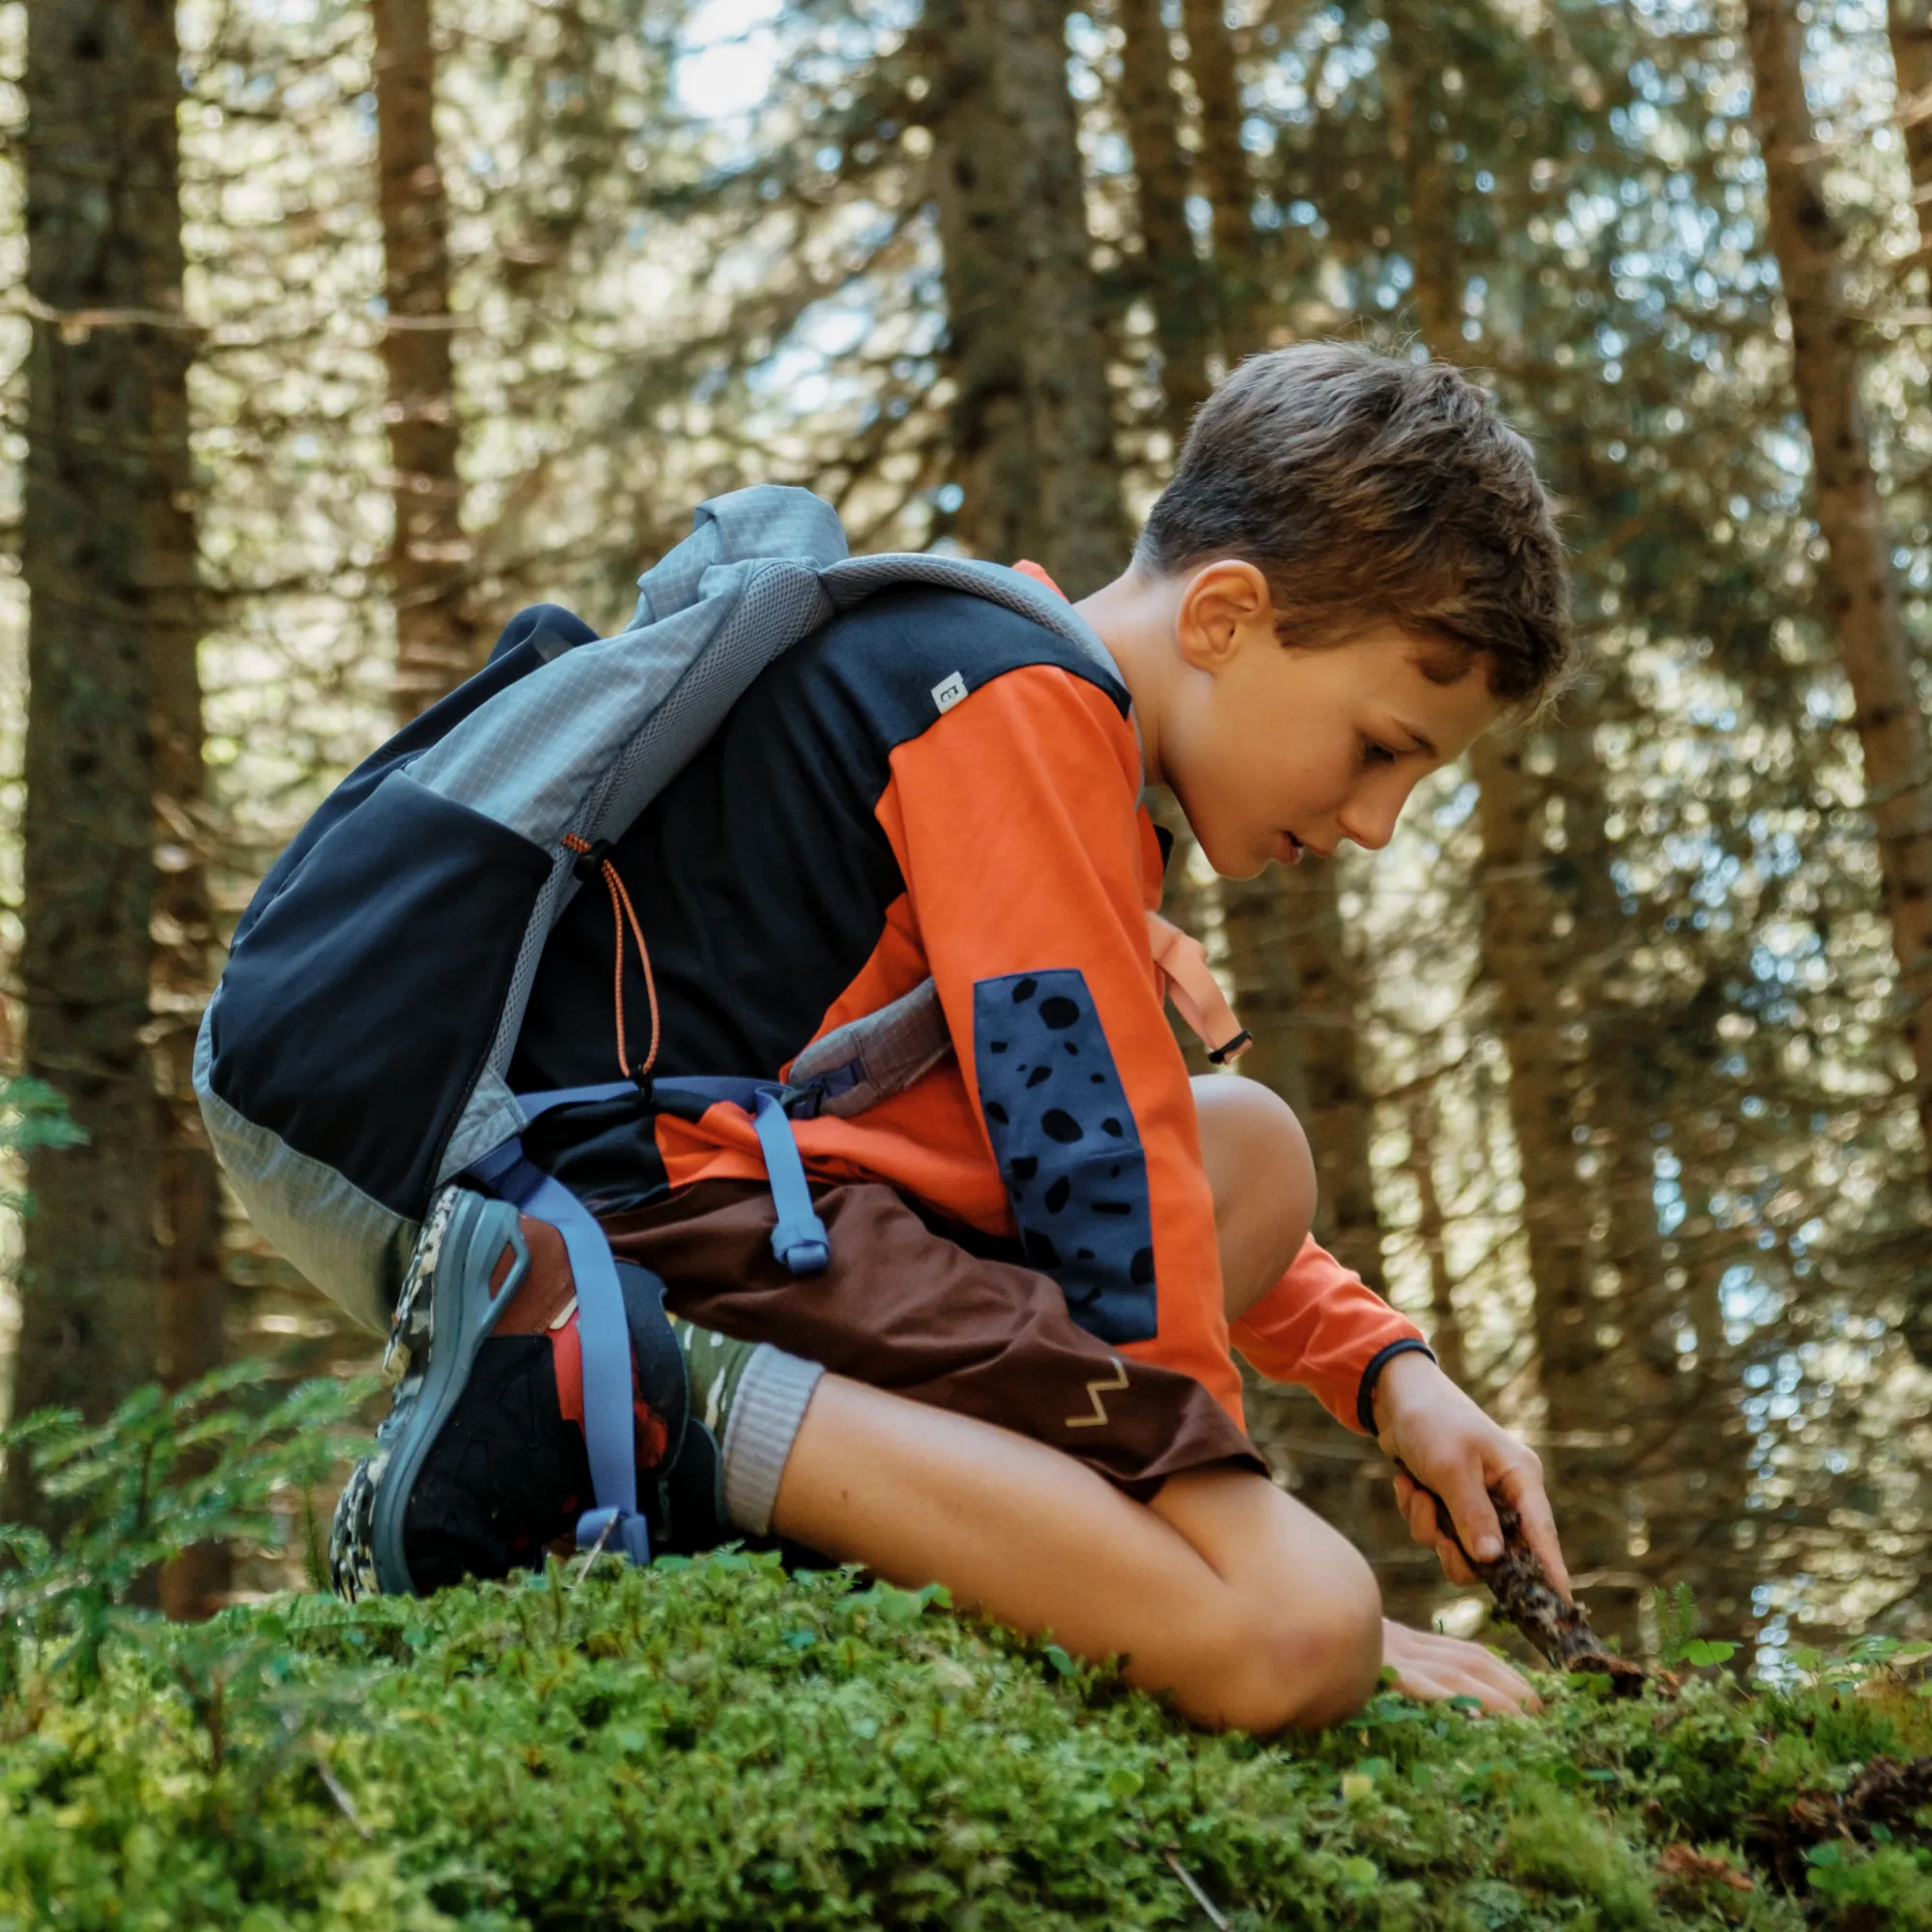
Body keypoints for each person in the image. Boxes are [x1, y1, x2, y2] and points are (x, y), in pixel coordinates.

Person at [347, 342, 1576, 1734]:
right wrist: (1218, 1537)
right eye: (1378, 747)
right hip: (684, 1231)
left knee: (1248, 1155)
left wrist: (1387, 1374)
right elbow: (1095, 1178)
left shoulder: (1019, 707)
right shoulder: (1020, 709)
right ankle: (596, 1397)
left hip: (748, 1219)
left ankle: (755, 1489)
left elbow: (1142, 1163)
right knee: (1300, 1630)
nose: (1375, 823)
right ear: (1226, 616)